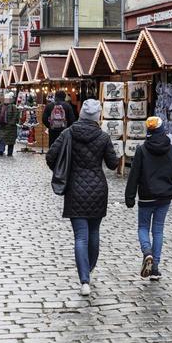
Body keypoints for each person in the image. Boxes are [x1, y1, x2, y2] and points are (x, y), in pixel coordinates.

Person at [46, 99, 119, 296]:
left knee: (80, 237)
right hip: (97, 188)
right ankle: (89, 268)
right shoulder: (103, 137)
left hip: (75, 189)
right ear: (97, 116)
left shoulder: (68, 133)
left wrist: (64, 170)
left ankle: (84, 280)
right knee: (94, 233)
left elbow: (50, 156)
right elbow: (112, 164)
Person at [125, 117, 172, 281]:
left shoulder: (142, 150)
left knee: (143, 227)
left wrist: (129, 196)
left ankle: (147, 252)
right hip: (164, 196)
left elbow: (134, 175)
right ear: (162, 130)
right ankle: (155, 267)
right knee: (158, 230)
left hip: (146, 196)